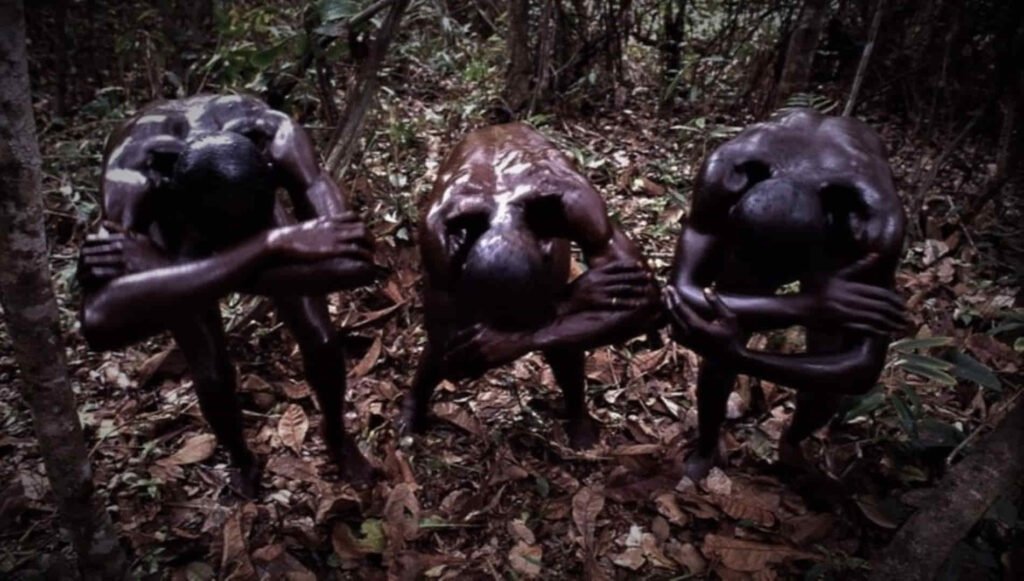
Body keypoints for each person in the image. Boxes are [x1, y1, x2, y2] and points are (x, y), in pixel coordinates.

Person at [78, 94, 379, 494]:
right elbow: (98, 323)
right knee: (210, 367)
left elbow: (357, 263)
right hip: (182, 234)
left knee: (321, 337)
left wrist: (180, 274)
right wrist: (268, 250)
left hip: (242, 229)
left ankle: (337, 436)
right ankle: (240, 455)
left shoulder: (278, 138)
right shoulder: (132, 175)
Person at [664, 108, 908, 480]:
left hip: (832, 247)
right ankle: (707, 444)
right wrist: (804, 306)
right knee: (721, 338)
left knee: (827, 349)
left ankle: (794, 439)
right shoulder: (725, 174)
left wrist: (741, 354)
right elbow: (679, 293)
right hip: (766, 235)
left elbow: (859, 370)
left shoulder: (871, 227)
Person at [403, 123, 660, 449]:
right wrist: (566, 307)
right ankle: (415, 400)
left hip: (536, 197)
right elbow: (450, 352)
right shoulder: (442, 231)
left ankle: (576, 410)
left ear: (548, 246)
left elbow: (649, 302)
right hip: (475, 200)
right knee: (451, 338)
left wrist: (537, 329)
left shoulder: (569, 200)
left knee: (561, 335)